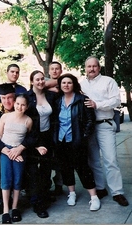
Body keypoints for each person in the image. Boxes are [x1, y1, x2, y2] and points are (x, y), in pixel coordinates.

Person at [81, 56, 129, 206]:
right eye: (89, 66)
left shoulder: (108, 81)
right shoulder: (82, 85)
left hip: (104, 124)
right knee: (93, 160)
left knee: (110, 159)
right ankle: (100, 188)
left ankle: (117, 192)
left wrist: (97, 104)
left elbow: (116, 101)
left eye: (94, 66)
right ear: (85, 68)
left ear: (99, 68)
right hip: (89, 127)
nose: (91, 69)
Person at [0, 83, 35, 217]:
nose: (7, 101)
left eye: (10, 98)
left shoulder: (26, 114)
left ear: (15, 97)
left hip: (19, 150)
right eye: (3, 98)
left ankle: (18, 205)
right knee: (1, 177)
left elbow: (32, 135)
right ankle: (4, 203)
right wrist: (7, 150)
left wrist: (19, 149)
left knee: (21, 176)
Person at [53, 73, 100, 211]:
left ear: (74, 84)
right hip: (61, 140)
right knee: (66, 168)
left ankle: (94, 197)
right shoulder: (57, 101)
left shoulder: (82, 99)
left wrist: (84, 136)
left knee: (82, 167)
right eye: (63, 83)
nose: (66, 85)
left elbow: (91, 120)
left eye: (69, 82)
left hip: (77, 140)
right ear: (60, 85)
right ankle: (71, 193)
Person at [25, 70, 58, 218]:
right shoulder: (26, 97)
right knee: (33, 171)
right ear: (32, 81)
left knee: (46, 169)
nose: (40, 82)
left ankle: (43, 199)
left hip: (48, 137)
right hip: (32, 137)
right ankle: (35, 202)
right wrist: (33, 143)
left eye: (42, 80)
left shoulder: (51, 96)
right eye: (37, 80)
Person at [0, 93, 33, 223]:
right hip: (5, 150)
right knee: (6, 179)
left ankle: (15, 208)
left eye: (23, 105)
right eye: (17, 103)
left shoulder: (28, 120)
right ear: (14, 103)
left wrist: (17, 151)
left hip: (19, 152)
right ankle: (6, 210)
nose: (20, 107)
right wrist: (8, 152)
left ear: (27, 106)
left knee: (17, 179)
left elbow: (27, 138)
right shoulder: (5, 117)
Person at [47, 61, 64, 196]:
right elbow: (40, 85)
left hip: (62, 123)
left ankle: (59, 184)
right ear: (48, 71)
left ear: (61, 70)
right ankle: (46, 185)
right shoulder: (45, 82)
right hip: (48, 124)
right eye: (52, 69)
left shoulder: (64, 82)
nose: (54, 71)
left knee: (60, 156)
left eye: (57, 69)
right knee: (47, 156)